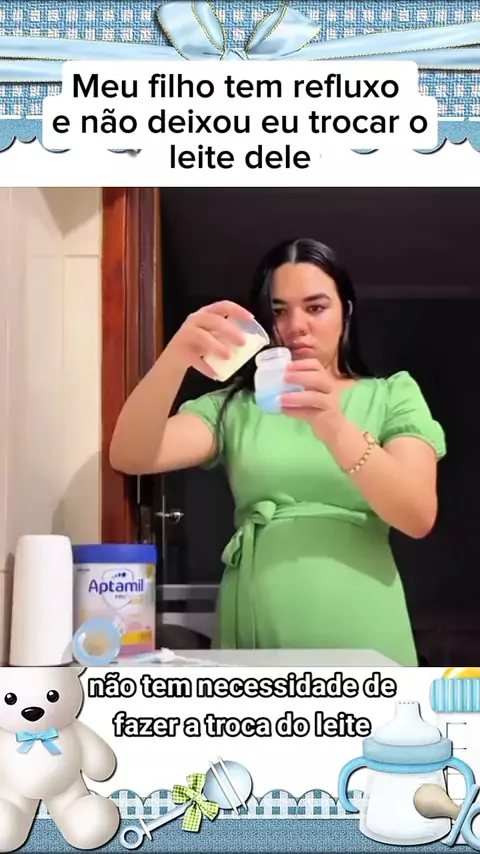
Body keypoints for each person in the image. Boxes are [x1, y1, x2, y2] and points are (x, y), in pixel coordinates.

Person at [110, 238, 446, 664]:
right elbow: (131, 454)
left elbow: (417, 514)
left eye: (316, 307)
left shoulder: (391, 395)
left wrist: (335, 426)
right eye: (280, 310)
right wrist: (176, 356)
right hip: (256, 619)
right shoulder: (235, 406)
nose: (296, 325)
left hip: (364, 623)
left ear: (346, 311)